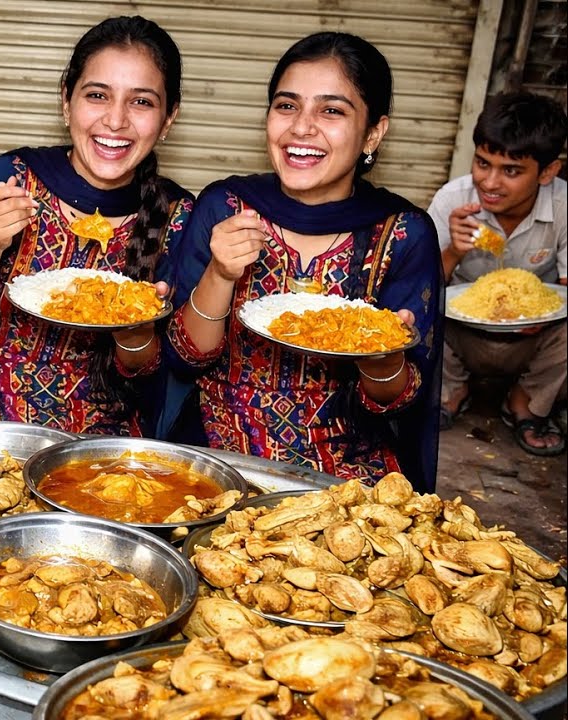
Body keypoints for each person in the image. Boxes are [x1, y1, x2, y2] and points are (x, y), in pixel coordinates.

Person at [161, 32, 443, 488]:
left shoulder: (402, 232)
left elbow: (398, 401)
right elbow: (184, 357)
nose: (301, 128)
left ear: (374, 131)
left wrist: (380, 356)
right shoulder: (227, 206)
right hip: (219, 451)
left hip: (348, 471)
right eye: (286, 105)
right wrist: (220, 273)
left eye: (331, 111)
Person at [0, 16, 187, 435]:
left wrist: (136, 324)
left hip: (95, 450)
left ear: (169, 118)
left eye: (141, 102)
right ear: (66, 101)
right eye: (97, 95)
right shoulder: (12, 176)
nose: (116, 120)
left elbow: (146, 371)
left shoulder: (178, 215)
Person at [428, 92, 566, 456]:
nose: (489, 182)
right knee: (415, 309)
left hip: (534, 340)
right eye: (482, 163)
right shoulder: (452, 200)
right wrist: (454, 250)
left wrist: (542, 312)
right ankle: (451, 391)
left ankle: (526, 403)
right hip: (461, 337)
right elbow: (422, 287)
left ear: (548, 171)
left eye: (511, 171)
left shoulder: (565, 207)